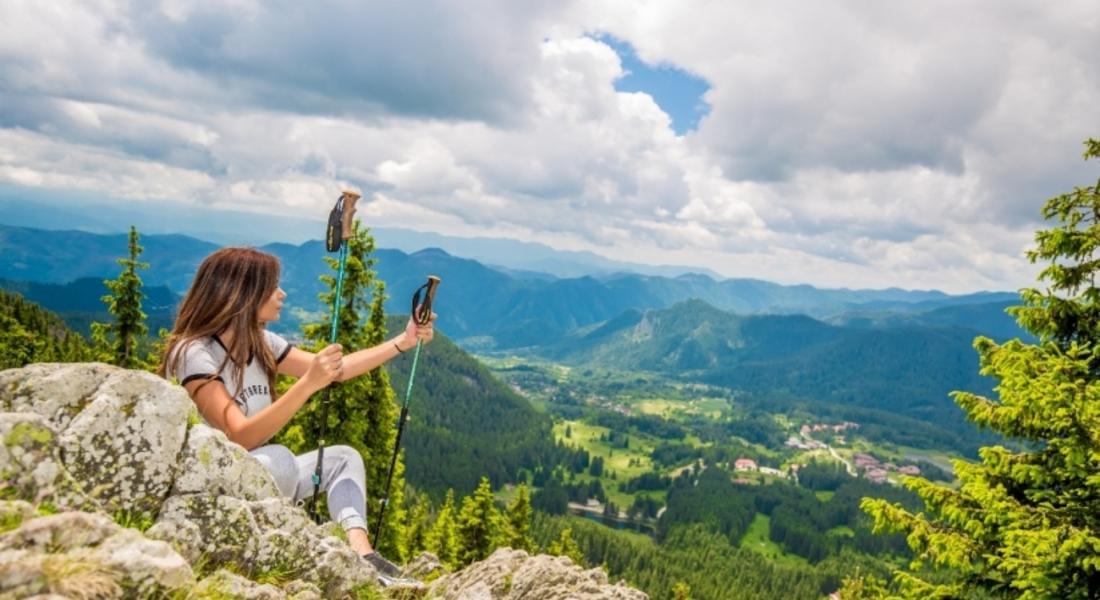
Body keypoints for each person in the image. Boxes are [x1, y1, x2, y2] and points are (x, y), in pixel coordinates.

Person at [158, 246, 433, 586]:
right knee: (279, 460)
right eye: (272, 286)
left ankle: (365, 558)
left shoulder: (260, 341)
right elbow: (239, 436)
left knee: (344, 459)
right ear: (243, 293)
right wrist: (307, 384)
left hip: (261, 478)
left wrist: (403, 342)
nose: (282, 293)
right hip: (216, 487)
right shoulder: (193, 352)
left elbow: (338, 370)